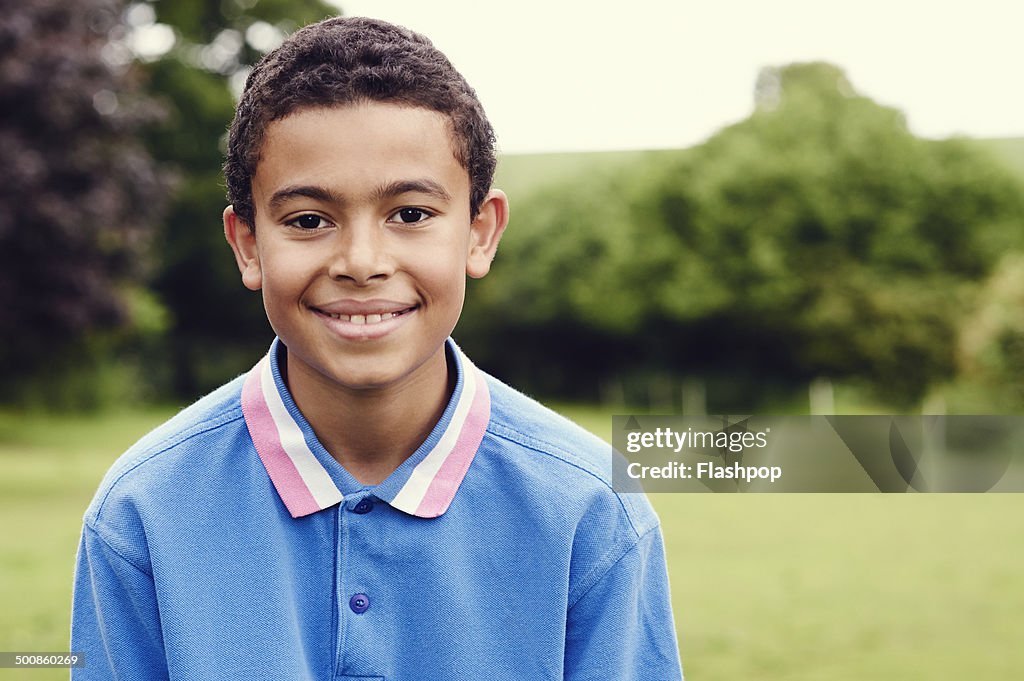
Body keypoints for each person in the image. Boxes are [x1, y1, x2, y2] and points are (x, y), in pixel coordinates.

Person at [71, 15, 683, 680]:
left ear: (480, 232)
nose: (361, 261)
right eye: (308, 220)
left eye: (411, 214)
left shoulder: (593, 511)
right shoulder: (142, 513)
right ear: (247, 243)